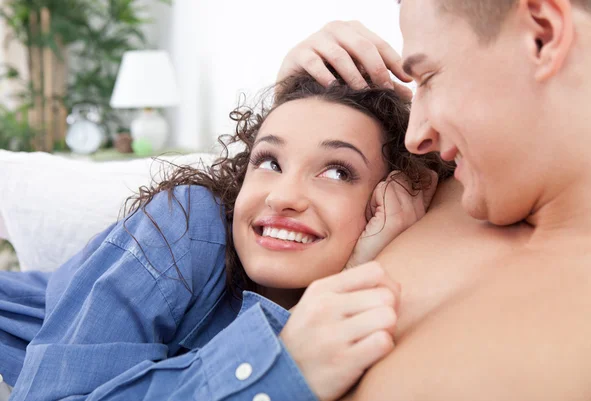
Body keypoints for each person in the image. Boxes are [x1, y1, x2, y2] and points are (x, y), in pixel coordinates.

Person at [0, 71, 449, 401]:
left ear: (385, 202)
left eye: (337, 171)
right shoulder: (189, 221)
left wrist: (351, 273)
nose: (284, 196)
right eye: (269, 161)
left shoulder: (344, 314)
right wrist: (279, 361)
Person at [277, 0, 591, 399]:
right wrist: (291, 100)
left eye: (428, 77)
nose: (417, 135)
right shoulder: (424, 184)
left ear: (542, 35)